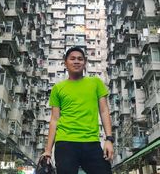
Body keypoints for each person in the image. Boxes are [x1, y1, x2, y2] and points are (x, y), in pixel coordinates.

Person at [42, 46, 114, 174]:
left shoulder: (96, 83)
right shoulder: (58, 88)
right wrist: (48, 150)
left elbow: (104, 111)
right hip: (65, 143)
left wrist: (109, 139)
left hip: (91, 142)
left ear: (85, 62)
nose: (76, 61)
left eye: (80, 59)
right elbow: (54, 120)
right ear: (65, 63)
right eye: (72, 59)